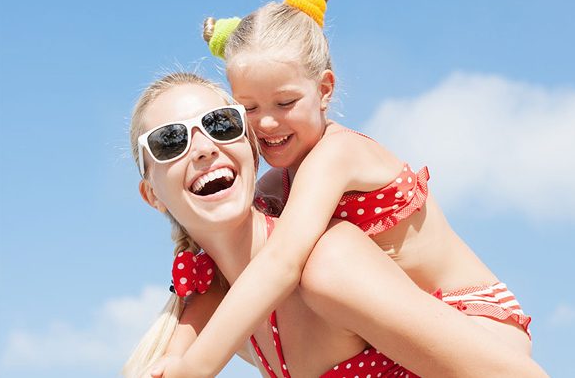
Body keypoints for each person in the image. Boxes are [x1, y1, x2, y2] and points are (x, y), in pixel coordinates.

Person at [123, 72, 548, 378]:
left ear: (251, 151)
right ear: (152, 195)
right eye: (169, 141)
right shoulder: (219, 305)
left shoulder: (329, 263)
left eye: (220, 125)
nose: (202, 148)